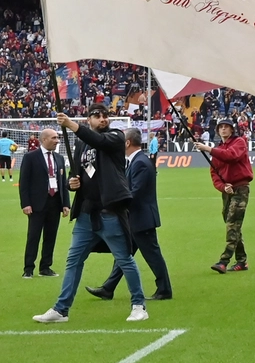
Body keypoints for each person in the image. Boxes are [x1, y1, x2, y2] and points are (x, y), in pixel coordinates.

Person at [32, 105, 147, 324]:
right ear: (89, 119)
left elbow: (99, 142)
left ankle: (139, 305)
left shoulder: (115, 137)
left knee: (124, 259)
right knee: (73, 260)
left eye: (105, 116)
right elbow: (78, 174)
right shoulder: (81, 143)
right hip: (86, 213)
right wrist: (72, 183)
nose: (102, 119)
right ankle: (61, 309)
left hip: (110, 211)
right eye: (97, 116)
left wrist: (72, 125)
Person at [86, 128, 172, 301]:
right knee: (123, 255)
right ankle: (108, 288)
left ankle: (164, 290)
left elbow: (135, 192)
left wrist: (116, 204)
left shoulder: (140, 162)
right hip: (135, 218)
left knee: (152, 255)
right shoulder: (136, 161)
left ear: (127, 143)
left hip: (142, 218)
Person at [195, 117, 253, 273]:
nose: (223, 129)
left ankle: (224, 261)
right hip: (227, 192)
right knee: (233, 225)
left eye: (226, 127)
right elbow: (214, 173)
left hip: (240, 189)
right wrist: (222, 187)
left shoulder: (239, 142)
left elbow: (231, 156)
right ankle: (241, 261)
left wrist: (208, 149)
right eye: (221, 127)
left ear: (232, 129)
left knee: (232, 224)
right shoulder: (219, 150)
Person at [19, 127, 69, 279]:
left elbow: (62, 183)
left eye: (58, 138)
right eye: (54, 138)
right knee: (33, 236)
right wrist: (25, 203)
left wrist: (65, 203)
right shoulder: (30, 157)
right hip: (37, 203)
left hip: (54, 202)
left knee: (51, 236)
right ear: (44, 139)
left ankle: (45, 267)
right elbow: (24, 182)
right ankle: (28, 268)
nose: (57, 140)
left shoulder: (59, 158)